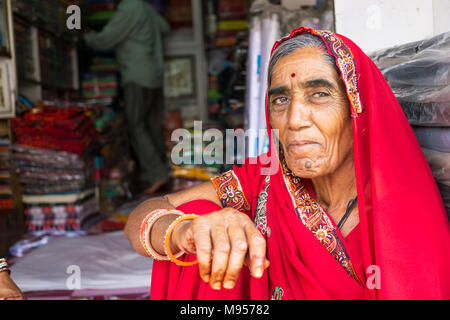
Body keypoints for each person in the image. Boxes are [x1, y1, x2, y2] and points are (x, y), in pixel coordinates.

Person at [124, 27, 450, 299]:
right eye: (281, 99)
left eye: (319, 94)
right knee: (201, 215)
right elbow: (144, 215)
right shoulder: (266, 180)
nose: (294, 120)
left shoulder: (402, 208)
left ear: (356, 107)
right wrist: (185, 230)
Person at [84, 0, 171, 194]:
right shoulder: (146, 8)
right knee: (151, 126)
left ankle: (158, 174)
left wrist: (85, 37)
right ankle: (163, 173)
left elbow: (107, 38)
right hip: (154, 76)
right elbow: (164, 28)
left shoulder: (130, 7)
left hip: (137, 75)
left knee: (136, 125)